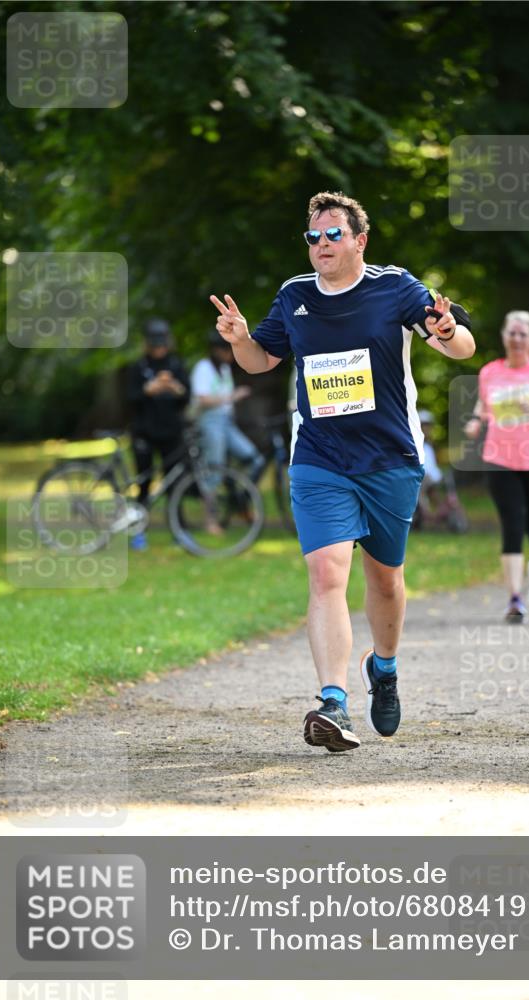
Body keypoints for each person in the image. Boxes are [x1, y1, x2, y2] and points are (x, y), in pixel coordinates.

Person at [210, 191, 475, 753]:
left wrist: (448, 331)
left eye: (333, 234)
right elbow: (262, 359)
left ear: (360, 240)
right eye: (313, 236)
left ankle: (384, 667)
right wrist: (240, 342)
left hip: (388, 458)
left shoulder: (395, 286)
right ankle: (333, 701)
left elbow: (462, 347)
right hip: (319, 458)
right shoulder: (295, 295)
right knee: (328, 574)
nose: (322, 244)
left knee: (384, 579)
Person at [464, 311, 529, 621]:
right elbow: (483, 405)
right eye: (512, 332)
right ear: (504, 336)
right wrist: (475, 421)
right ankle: (514, 599)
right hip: (500, 458)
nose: (517, 338)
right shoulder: (490, 372)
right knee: (511, 527)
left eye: (523, 334)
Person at [190, 330, 265, 534]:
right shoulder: (203, 368)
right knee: (214, 470)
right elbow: (202, 399)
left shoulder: (223, 369)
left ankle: (240, 499)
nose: (230, 355)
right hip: (210, 422)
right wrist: (231, 397)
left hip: (226, 422)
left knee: (254, 458)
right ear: (216, 350)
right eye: (226, 350)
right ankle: (210, 520)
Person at [126, 318, 190, 550]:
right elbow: (131, 398)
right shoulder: (139, 367)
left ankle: (178, 531)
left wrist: (174, 388)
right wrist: (148, 389)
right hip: (145, 432)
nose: (159, 348)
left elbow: (186, 397)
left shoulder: (175, 365)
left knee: (175, 483)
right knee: (144, 484)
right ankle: (138, 533)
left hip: (171, 431)